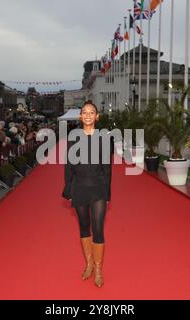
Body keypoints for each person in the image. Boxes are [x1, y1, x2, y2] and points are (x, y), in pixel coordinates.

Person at [62, 101, 112, 288]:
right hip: (79, 187)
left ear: (97, 116)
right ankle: (89, 264)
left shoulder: (104, 139)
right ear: (80, 116)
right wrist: (68, 189)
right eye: (85, 112)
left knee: (98, 229)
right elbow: (68, 166)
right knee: (84, 227)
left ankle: (98, 269)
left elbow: (107, 169)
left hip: (98, 187)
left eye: (92, 112)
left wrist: (107, 194)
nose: (88, 115)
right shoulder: (73, 138)